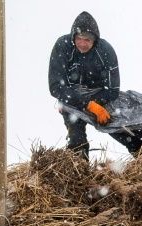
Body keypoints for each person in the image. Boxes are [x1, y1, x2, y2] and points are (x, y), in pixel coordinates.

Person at [48, 11, 120, 159]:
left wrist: (97, 105)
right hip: (71, 99)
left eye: (87, 40)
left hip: (100, 97)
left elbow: (113, 90)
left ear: (95, 40)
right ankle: (80, 175)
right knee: (77, 139)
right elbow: (56, 87)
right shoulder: (62, 46)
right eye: (79, 38)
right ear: (73, 36)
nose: (82, 43)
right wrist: (88, 105)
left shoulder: (106, 51)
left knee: (122, 130)